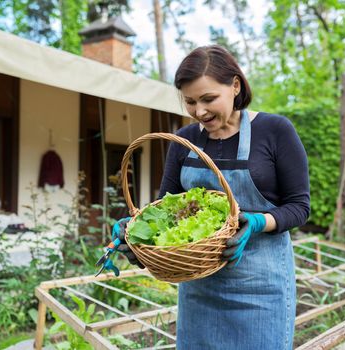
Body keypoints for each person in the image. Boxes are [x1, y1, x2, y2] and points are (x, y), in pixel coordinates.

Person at [114, 45, 310, 350]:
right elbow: (167, 210)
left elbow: (299, 207)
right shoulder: (184, 141)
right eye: (190, 102)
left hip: (260, 291)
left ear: (235, 86)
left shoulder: (275, 131)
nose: (199, 111)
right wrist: (137, 233)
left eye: (208, 99)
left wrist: (258, 221)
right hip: (199, 290)